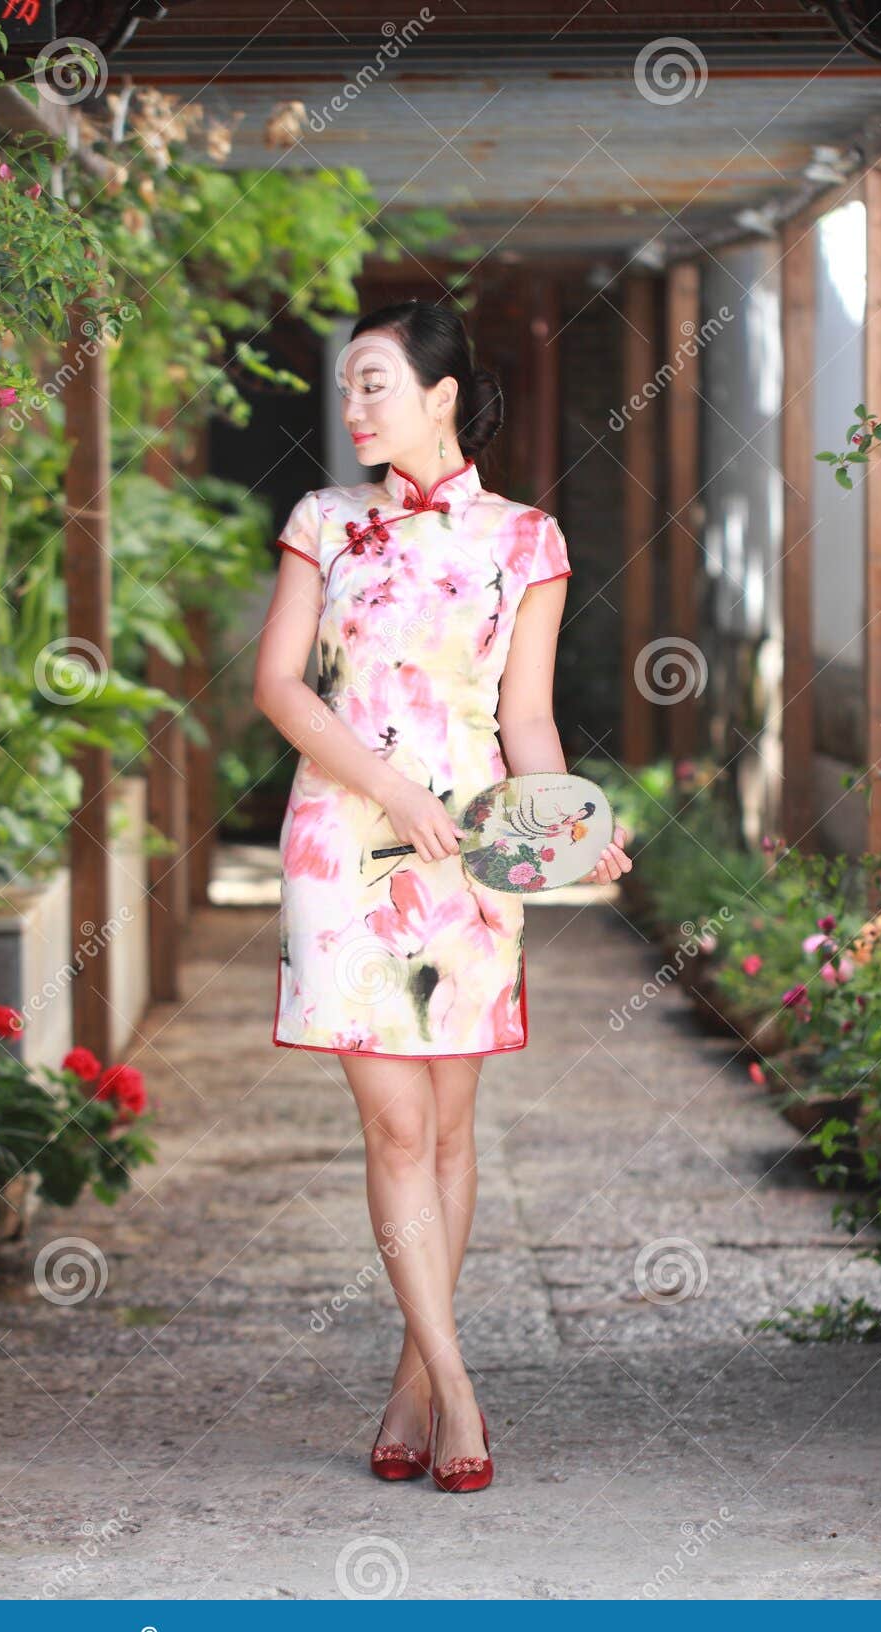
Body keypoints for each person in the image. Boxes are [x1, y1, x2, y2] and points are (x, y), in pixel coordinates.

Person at [253, 299, 632, 1494]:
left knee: (454, 1127)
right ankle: (462, 1387)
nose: (354, 405)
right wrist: (384, 788)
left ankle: (415, 1375)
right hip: (341, 838)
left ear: (440, 393)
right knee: (396, 1124)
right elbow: (281, 688)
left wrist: (567, 828)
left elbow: (522, 716)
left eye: (374, 383)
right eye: (347, 385)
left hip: (467, 850)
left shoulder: (527, 540)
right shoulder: (322, 520)